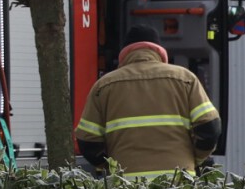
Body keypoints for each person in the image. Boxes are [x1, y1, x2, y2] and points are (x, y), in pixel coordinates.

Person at [75, 24, 222, 177]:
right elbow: (209, 128)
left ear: (124, 54)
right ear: (159, 51)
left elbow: (88, 141)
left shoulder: (104, 86)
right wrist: (195, 159)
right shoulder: (185, 79)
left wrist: (110, 166)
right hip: (178, 182)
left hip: (127, 186)